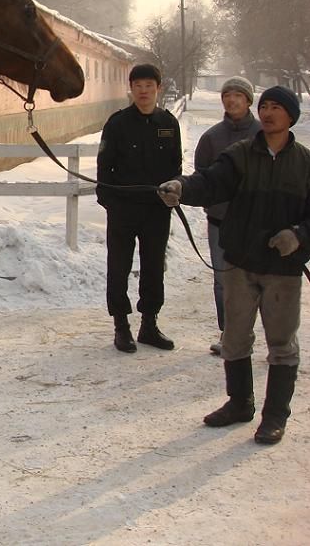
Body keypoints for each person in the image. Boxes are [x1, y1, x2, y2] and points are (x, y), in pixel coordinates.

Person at [159, 85, 307, 444]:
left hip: (283, 270)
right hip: (240, 261)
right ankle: (240, 403)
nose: (268, 113)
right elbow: (211, 182)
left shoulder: (305, 163)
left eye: (276, 107)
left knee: (282, 344)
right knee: (236, 338)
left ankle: (275, 417)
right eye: (265, 106)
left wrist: (299, 236)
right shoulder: (241, 153)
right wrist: (182, 187)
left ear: (291, 116)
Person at [97, 63, 183, 353]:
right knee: (118, 267)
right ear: (131, 89)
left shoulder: (169, 124)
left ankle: (149, 324)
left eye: (149, 85)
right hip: (123, 210)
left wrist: (172, 194)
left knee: (153, 267)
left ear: (158, 88)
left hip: (156, 210)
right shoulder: (117, 123)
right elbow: (103, 166)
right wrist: (110, 202)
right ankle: (121, 326)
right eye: (138, 86)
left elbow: (175, 166)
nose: (143, 91)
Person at [194, 76, 261, 355]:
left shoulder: (263, 134)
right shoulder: (211, 137)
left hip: (255, 223)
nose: (232, 100)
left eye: (238, 95)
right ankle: (229, 333)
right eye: (227, 95)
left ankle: (253, 332)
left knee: (255, 279)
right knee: (223, 278)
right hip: (220, 221)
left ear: (248, 101)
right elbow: (202, 177)